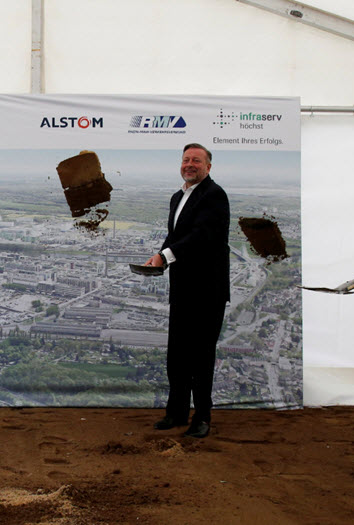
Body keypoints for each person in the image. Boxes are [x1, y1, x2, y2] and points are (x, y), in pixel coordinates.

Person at [144, 143, 230, 438]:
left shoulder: (215, 195)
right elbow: (175, 236)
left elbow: (201, 237)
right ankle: (177, 413)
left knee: (202, 356)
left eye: (196, 160)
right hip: (182, 287)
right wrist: (159, 257)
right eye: (185, 160)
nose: (189, 164)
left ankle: (202, 417)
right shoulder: (177, 197)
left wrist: (165, 256)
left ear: (208, 166)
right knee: (178, 354)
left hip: (207, 291)